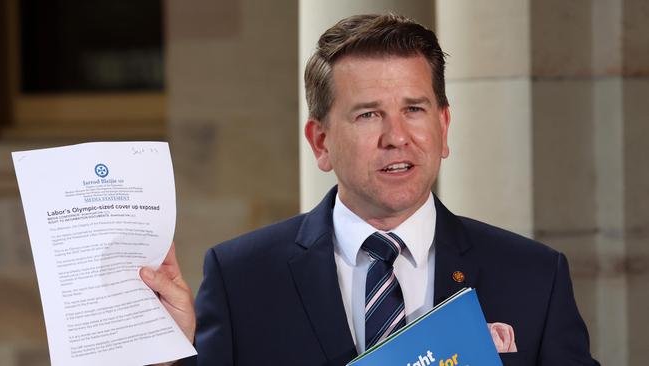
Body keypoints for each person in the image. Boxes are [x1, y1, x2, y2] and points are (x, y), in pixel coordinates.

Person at [141, 13, 600, 365]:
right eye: (368, 114)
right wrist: (170, 354)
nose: (396, 136)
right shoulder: (241, 277)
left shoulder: (534, 277)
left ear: (443, 126)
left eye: (414, 109)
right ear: (320, 142)